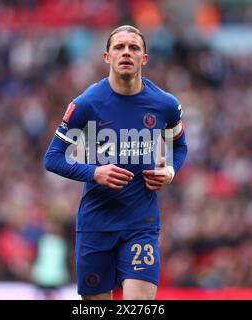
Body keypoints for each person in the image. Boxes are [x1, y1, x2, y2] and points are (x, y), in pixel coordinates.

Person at [43, 25, 187, 300]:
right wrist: (94, 172)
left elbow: (179, 146)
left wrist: (171, 170)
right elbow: (52, 158)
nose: (126, 53)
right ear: (107, 57)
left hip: (140, 224)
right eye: (119, 47)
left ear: (144, 58)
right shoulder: (87, 104)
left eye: (133, 48)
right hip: (96, 224)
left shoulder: (164, 105)